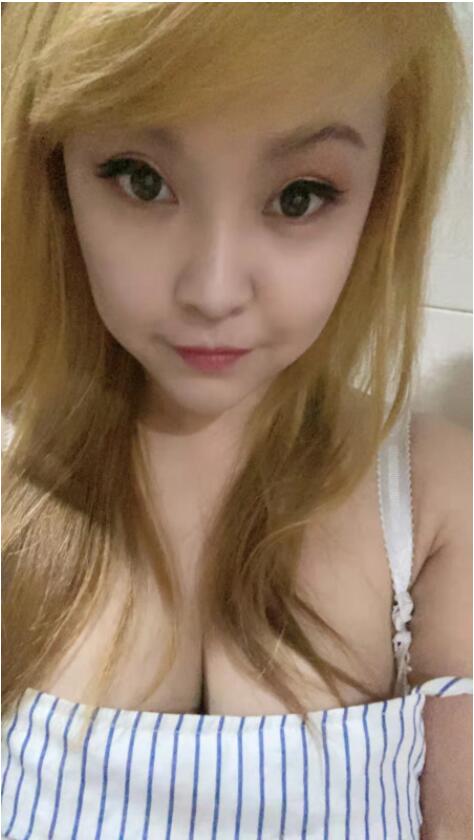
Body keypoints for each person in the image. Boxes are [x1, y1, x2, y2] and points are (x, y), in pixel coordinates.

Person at [1, 3, 472, 837]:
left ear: (383, 197)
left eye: (300, 195)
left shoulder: (437, 500)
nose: (214, 291)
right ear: (53, 175)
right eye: (140, 179)